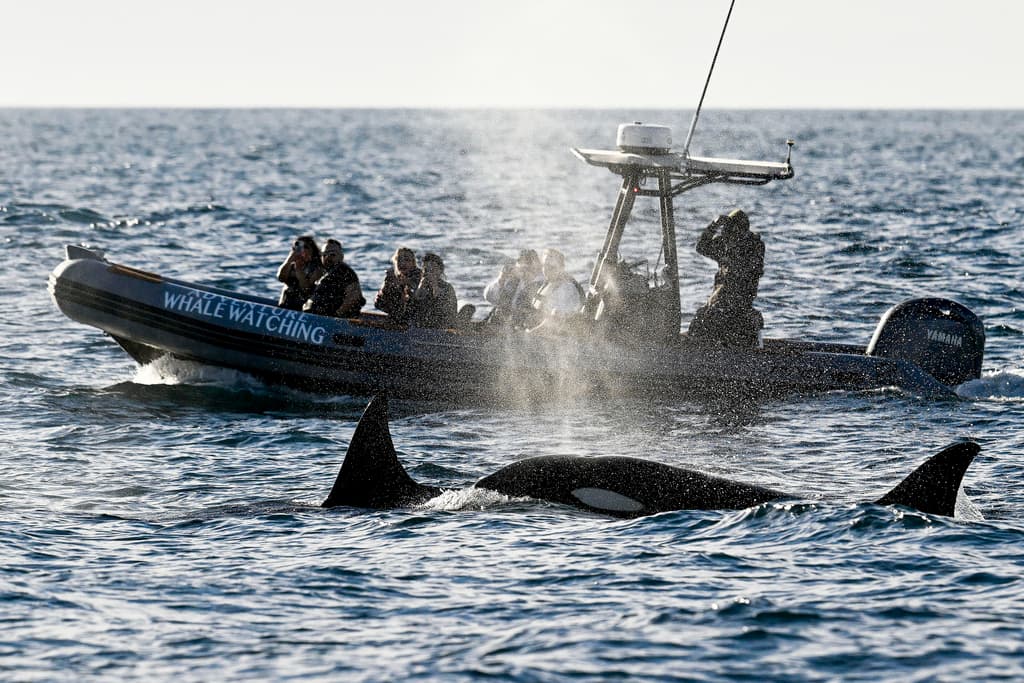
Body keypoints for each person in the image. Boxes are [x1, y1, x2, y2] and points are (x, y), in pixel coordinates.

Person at [687, 209, 765, 347]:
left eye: (731, 231)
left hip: (739, 303)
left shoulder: (753, 246)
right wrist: (714, 225)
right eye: (726, 231)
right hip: (721, 301)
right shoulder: (725, 244)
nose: (728, 236)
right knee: (700, 319)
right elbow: (701, 247)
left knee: (711, 317)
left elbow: (741, 273)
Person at [303, 239, 366, 317]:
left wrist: (336, 316)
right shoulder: (323, 273)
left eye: (332, 254)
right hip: (313, 317)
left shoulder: (344, 271)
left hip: (329, 320)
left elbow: (354, 297)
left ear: (341, 256)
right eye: (324, 254)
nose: (327, 257)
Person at [483, 249, 544, 328]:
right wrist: (501, 279)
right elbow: (489, 297)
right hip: (506, 325)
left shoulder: (542, 283)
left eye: (528, 267)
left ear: (537, 266)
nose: (524, 271)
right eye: (521, 268)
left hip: (526, 327)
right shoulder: (513, 281)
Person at [529, 248, 585, 334]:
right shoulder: (546, 284)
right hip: (537, 332)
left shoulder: (566, 289)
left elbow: (554, 320)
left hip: (556, 337)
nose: (546, 269)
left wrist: (530, 333)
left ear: (561, 268)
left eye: (551, 267)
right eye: (544, 265)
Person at [407, 252, 458, 329]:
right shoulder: (416, 284)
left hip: (440, 327)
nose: (429, 272)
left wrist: (435, 287)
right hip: (419, 327)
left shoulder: (447, 287)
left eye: (433, 269)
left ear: (440, 271)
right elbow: (410, 310)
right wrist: (419, 289)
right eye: (426, 269)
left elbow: (449, 313)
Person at [373, 247, 422, 322]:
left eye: (407, 260)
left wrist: (407, 283)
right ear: (395, 262)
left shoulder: (419, 275)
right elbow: (378, 304)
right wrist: (386, 287)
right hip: (397, 316)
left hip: (417, 319)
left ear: (413, 263)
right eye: (399, 260)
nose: (402, 263)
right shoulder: (392, 276)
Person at [277, 235, 324, 310]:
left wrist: (299, 269)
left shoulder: (318, 268)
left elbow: (306, 288)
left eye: (306, 247)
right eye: (298, 246)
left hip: (302, 309)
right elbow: (281, 278)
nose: (302, 250)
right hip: (284, 306)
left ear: (312, 251)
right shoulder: (291, 264)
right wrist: (289, 260)